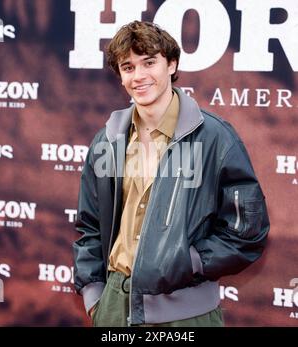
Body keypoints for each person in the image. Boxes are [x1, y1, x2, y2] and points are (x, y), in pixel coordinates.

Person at [73, 20, 270, 327]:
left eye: (149, 62)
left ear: (171, 64)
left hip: (186, 314)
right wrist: (96, 295)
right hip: (112, 306)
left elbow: (248, 230)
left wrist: (189, 261)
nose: (138, 76)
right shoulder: (107, 140)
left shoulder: (214, 138)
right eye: (128, 67)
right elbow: (89, 224)